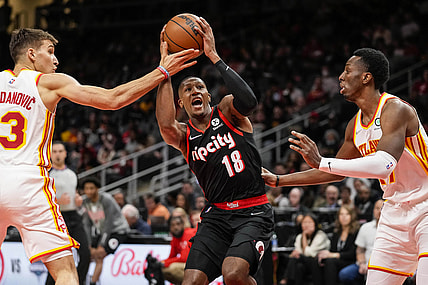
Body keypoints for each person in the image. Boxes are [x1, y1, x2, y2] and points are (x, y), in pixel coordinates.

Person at [0, 27, 198, 284]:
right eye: (50, 52)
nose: (56, 60)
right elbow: (113, 99)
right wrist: (162, 72)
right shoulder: (48, 83)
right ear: (31, 54)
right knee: (66, 273)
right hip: (28, 183)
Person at [263, 48, 428, 284]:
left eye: (348, 70)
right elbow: (333, 172)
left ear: (366, 77)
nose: (340, 76)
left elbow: (384, 165)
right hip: (394, 212)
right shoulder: (354, 126)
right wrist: (278, 180)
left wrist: (323, 160)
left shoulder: (395, 109)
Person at [156, 17, 274, 285]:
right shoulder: (184, 135)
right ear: (181, 102)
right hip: (216, 215)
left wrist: (213, 56)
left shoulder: (228, 111)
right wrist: (165, 71)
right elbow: (164, 124)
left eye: (200, 87)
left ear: (208, 96)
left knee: (234, 275)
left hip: (253, 211)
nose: (195, 90)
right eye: (188, 89)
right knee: (192, 282)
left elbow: (250, 101)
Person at [45, 141, 90, 285]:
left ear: (65, 153)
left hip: (74, 216)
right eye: (54, 152)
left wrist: (78, 199)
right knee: (57, 260)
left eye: (60, 151)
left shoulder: (72, 173)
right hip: (57, 219)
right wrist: (57, 201)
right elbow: (40, 199)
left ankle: (78, 282)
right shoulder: (46, 174)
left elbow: (74, 192)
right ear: (50, 155)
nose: (57, 154)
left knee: (85, 254)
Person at [81, 177, 130, 285]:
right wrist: (89, 244)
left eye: (91, 188)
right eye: (86, 189)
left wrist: (101, 245)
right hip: (102, 232)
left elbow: (109, 223)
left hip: (118, 231)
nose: (89, 191)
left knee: (100, 253)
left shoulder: (106, 199)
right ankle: (83, 280)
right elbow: (87, 224)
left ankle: (92, 283)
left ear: (97, 189)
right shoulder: (85, 202)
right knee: (87, 254)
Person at [339, 199, 384, 285]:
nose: (379, 211)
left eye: (382, 208)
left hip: (383, 266)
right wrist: (362, 263)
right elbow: (360, 250)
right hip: (365, 264)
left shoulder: (394, 229)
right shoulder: (365, 227)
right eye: (377, 208)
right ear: (373, 210)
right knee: (345, 274)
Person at [281, 214, 330, 285]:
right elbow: (298, 252)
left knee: (297, 258)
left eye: (310, 222)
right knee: (299, 267)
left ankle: (286, 279)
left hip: (318, 264)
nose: (307, 225)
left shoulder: (321, 236)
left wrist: (304, 235)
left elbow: (308, 253)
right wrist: (295, 254)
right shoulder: (299, 237)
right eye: (304, 222)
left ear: (315, 224)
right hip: (304, 264)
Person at [317, 205, 359, 285]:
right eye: (341, 214)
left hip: (351, 261)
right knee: (319, 260)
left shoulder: (356, 232)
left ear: (351, 216)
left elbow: (353, 254)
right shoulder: (336, 232)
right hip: (337, 260)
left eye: (347, 214)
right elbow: (332, 250)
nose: (344, 217)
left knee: (330, 262)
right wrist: (325, 255)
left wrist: (334, 255)